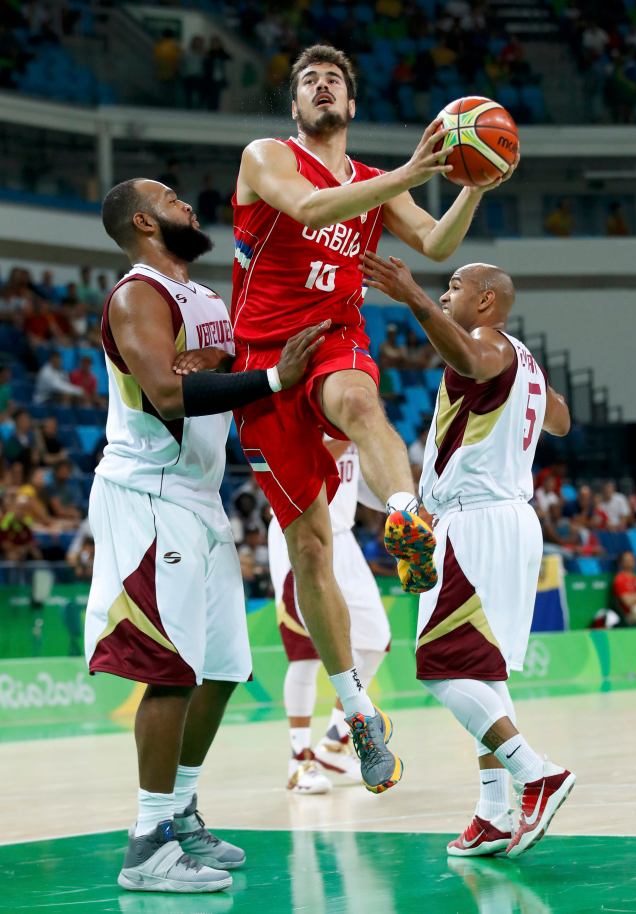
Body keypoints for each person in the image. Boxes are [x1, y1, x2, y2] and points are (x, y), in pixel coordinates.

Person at [230, 43, 517, 794]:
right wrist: (418, 171)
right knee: (310, 548)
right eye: (308, 82)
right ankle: (356, 711)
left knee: (360, 400)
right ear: (296, 107)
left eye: (334, 82)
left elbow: (436, 242)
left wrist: (475, 183)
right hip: (263, 362)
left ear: (351, 107)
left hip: (334, 339)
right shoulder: (266, 156)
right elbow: (313, 208)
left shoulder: (377, 182)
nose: (322, 88)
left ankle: (404, 516)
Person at [84, 176, 328, 894]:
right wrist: (273, 380)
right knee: (168, 671)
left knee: (222, 668)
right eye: (169, 198)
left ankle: (181, 812)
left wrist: (227, 366)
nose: (188, 203)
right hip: (150, 495)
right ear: (143, 222)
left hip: (200, 498)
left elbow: (210, 374)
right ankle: (148, 842)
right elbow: (166, 393)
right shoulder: (137, 294)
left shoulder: (205, 299)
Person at [361, 250, 575, 858]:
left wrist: (414, 298)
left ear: (486, 301)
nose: (445, 290)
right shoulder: (525, 361)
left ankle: (536, 773)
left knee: (439, 666)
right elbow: (558, 420)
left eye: (455, 285)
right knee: (482, 670)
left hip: (474, 522)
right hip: (513, 521)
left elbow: (472, 357)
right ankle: (491, 810)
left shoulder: (485, 343)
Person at [268, 439, 390, 793]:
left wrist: (401, 502)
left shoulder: (346, 416)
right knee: (305, 654)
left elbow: (359, 487)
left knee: (374, 643)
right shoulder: (313, 410)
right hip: (300, 529)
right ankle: (298, 760)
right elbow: (304, 466)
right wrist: (348, 430)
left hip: (343, 539)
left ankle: (335, 744)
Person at [612, 551, 636, 625]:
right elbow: (627, 601)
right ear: (621, 563)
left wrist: (635, 597)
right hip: (631, 614)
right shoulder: (620, 579)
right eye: (628, 560)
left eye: (633, 559)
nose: (632, 562)